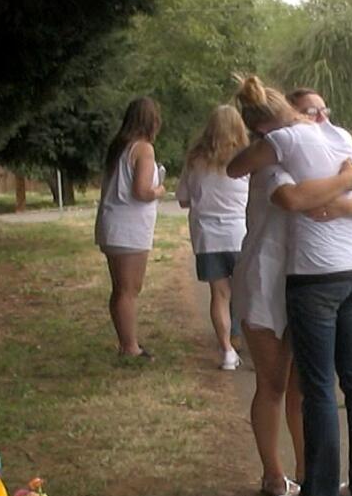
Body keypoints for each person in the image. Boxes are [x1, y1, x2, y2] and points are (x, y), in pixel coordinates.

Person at [229, 75, 352, 496]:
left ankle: (314, 476)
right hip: (269, 277)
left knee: (311, 385)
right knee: (277, 384)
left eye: (323, 111)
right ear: (288, 118)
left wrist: (344, 192)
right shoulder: (278, 154)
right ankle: (275, 473)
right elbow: (293, 199)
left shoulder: (330, 141)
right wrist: (344, 181)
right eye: (311, 112)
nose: (321, 119)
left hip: (312, 276)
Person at [175, 105, 250, 369]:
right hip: (241, 233)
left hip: (207, 236)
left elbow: (183, 200)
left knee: (220, 294)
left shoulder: (194, 160)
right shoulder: (246, 158)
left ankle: (228, 352)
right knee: (246, 293)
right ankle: (251, 345)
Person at [95, 97, 165, 360]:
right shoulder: (144, 149)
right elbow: (142, 190)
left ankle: (127, 341)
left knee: (121, 288)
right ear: (152, 121)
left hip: (113, 225)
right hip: (130, 229)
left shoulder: (119, 147)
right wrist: (159, 190)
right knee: (128, 289)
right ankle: (129, 346)